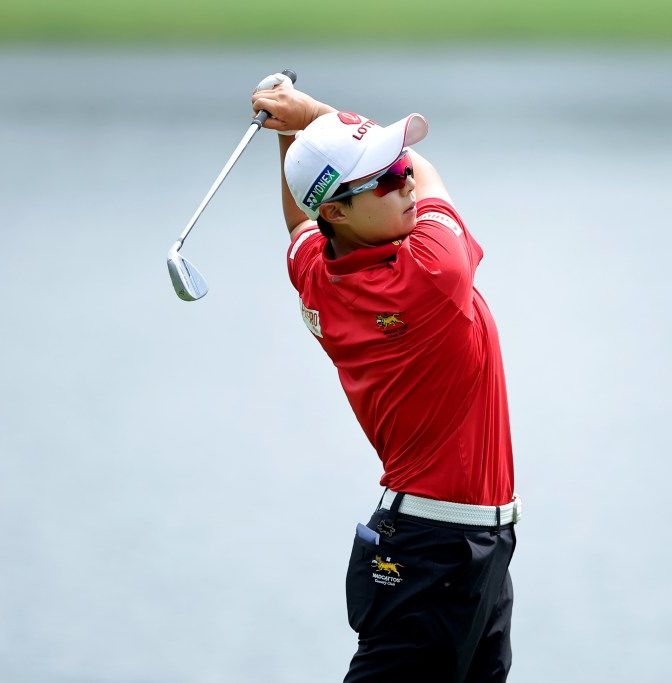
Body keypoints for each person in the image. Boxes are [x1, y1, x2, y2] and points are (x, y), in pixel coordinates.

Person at [250, 73, 520, 683]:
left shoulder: (317, 276)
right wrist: (313, 113)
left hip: (464, 545)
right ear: (339, 210)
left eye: (398, 166)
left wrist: (293, 134)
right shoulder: (433, 269)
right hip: (434, 549)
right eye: (386, 177)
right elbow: (430, 177)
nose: (405, 182)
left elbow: (299, 228)